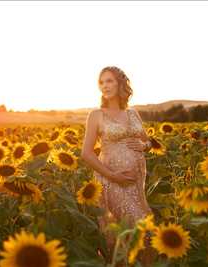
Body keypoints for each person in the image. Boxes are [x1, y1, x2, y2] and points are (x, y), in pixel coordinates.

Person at [81, 66, 155, 265]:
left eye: (110, 81)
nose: (105, 86)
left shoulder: (133, 114)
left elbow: (147, 142)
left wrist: (143, 145)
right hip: (111, 180)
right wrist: (114, 176)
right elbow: (86, 153)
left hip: (136, 183)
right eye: (102, 82)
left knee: (141, 234)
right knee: (140, 229)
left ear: (121, 83)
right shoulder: (96, 115)